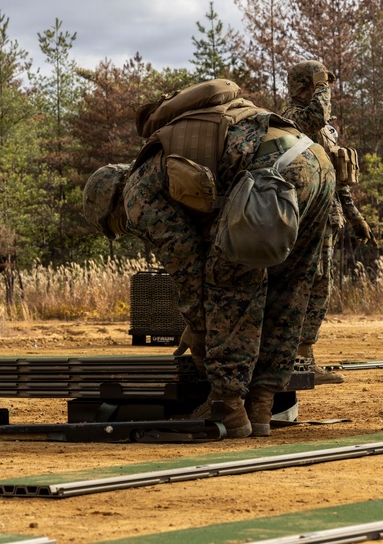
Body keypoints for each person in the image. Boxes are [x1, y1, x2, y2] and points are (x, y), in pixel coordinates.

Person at [84, 79, 335, 438]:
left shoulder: (137, 193)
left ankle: (228, 407)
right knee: (288, 286)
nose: (126, 229)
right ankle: (261, 406)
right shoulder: (163, 157)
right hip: (316, 164)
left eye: (117, 225)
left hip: (271, 174)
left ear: (111, 203)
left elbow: (188, 264)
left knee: (228, 283)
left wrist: (198, 326)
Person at [284, 61, 373, 384]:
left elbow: (338, 178)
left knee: (321, 287)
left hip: (328, 218)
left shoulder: (325, 131)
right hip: (307, 218)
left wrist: (354, 217)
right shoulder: (292, 119)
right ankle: (291, 361)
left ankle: (305, 359)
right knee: (304, 287)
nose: (322, 92)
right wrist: (323, 87)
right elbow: (317, 114)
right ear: (302, 87)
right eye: (316, 86)